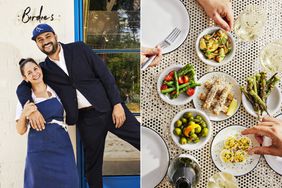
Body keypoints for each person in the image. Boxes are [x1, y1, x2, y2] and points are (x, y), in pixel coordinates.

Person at [16, 24, 140, 188]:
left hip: (110, 108)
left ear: (55, 35)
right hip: (86, 120)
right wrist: (30, 108)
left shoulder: (79, 48)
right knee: (92, 167)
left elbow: (105, 74)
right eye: (40, 40)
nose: (45, 41)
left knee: (142, 139)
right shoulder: (43, 68)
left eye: (47, 36)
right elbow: (23, 87)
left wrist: (117, 103)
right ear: (37, 44)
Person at [15, 58, 79, 188]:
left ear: (40, 68)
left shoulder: (56, 90)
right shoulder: (27, 98)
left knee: (69, 181)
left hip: (62, 146)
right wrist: (25, 113)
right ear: (25, 78)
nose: (34, 73)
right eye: (29, 72)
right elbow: (20, 130)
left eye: (35, 68)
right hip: (38, 151)